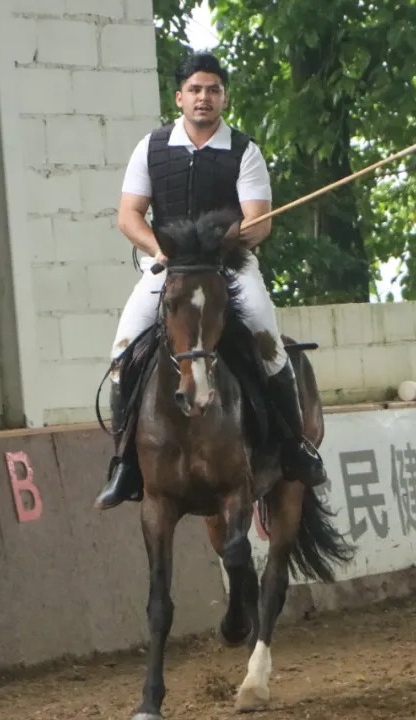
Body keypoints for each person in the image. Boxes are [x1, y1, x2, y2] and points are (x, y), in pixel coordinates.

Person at [93, 51, 326, 511]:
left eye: (213, 90)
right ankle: (125, 463)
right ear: (179, 97)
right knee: (122, 353)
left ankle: (294, 446)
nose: (204, 97)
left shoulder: (245, 151)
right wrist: (158, 249)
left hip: (230, 270)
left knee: (269, 345)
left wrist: (226, 241)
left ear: (224, 98)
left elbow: (259, 222)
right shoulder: (151, 148)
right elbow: (129, 215)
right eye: (195, 90)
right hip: (169, 269)